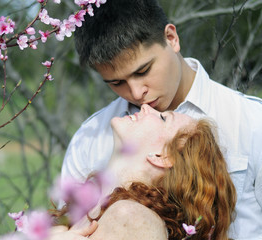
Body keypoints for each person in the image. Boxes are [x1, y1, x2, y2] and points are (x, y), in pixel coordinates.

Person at [61, 0, 262, 239]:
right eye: (117, 83)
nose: (136, 93)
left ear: (171, 38)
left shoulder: (251, 121)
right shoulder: (90, 137)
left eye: (143, 71)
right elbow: (66, 219)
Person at [52, 104, 236, 239]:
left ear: (163, 156)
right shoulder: (94, 209)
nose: (146, 106)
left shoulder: (132, 218)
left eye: (163, 118)